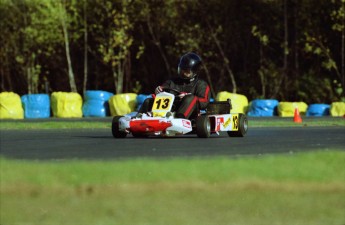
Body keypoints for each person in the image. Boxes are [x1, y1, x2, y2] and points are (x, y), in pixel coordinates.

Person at [138, 52, 211, 119]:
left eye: (187, 71)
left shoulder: (201, 84)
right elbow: (163, 88)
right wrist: (159, 89)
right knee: (148, 100)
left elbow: (204, 101)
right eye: (182, 70)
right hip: (169, 109)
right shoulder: (172, 81)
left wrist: (187, 96)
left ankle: (179, 118)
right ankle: (139, 118)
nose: (184, 73)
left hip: (190, 114)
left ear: (195, 71)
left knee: (190, 98)